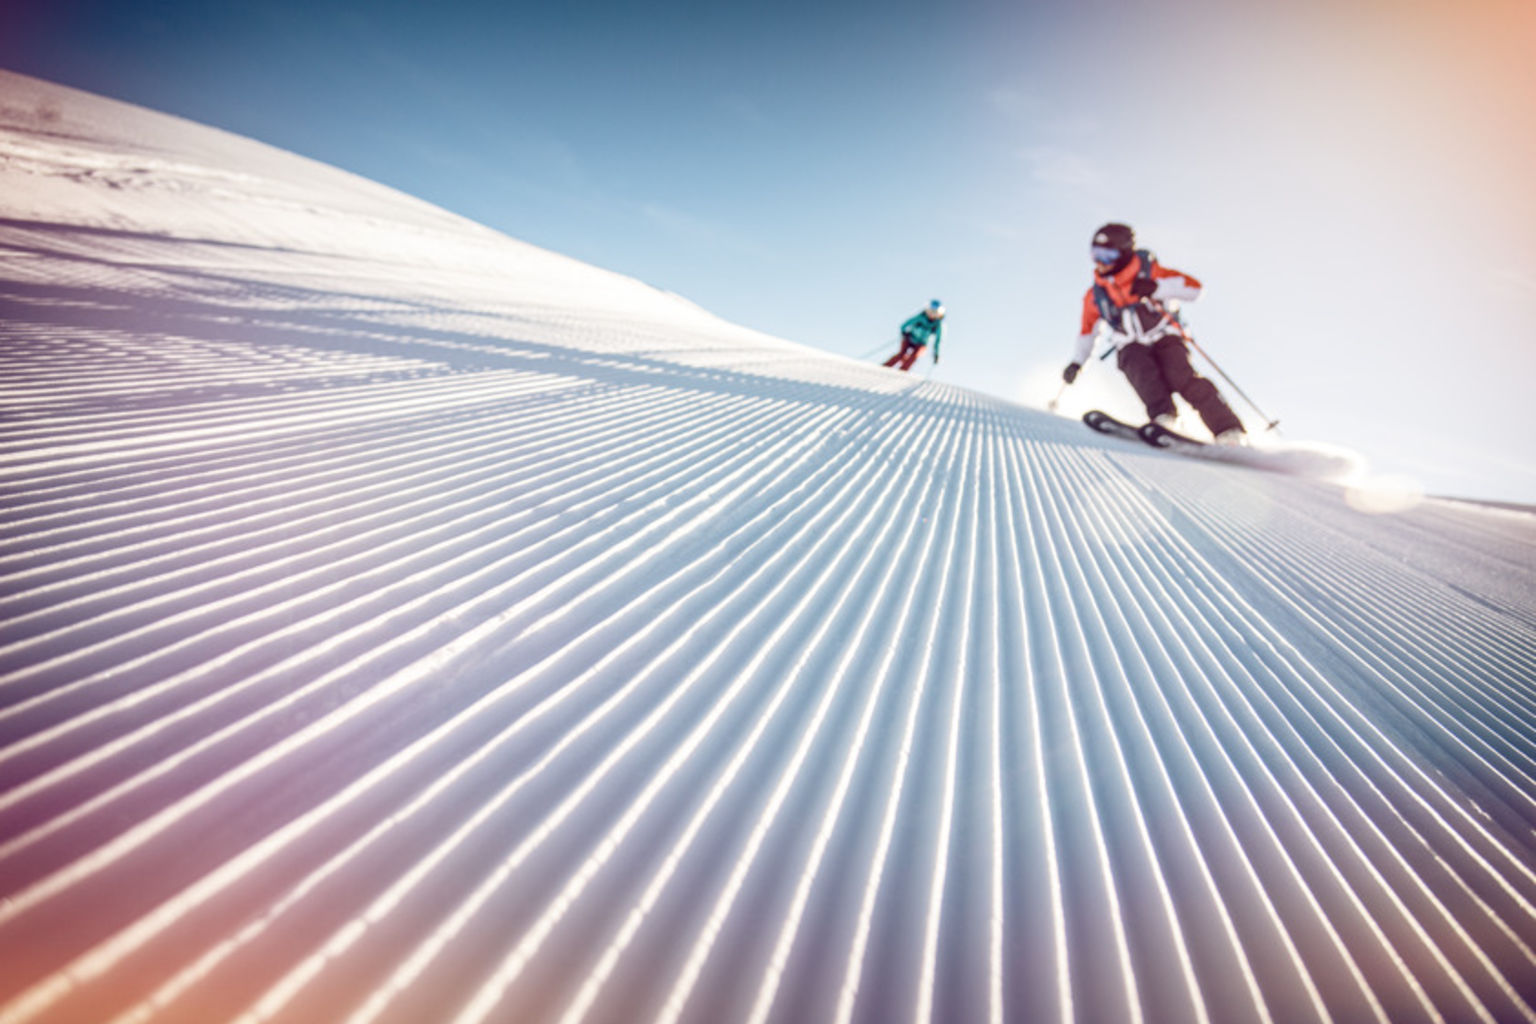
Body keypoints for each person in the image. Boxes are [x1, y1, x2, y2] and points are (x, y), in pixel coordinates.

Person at [1061, 223, 1245, 444]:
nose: (1100, 262)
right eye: (1096, 254)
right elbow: (1087, 333)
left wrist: (1156, 287)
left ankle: (1229, 431)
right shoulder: (1096, 295)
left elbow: (1195, 289)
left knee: (1182, 377)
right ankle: (1165, 419)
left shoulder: (1150, 271)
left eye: (1108, 255)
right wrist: (1077, 363)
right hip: (1130, 342)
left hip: (1164, 336)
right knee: (1140, 372)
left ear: (1123, 253)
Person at [884, 299, 945, 371]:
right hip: (910, 337)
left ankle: (902, 371)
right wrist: (904, 332)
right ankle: (884, 367)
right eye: (930, 312)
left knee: (914, 357)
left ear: (939, 314)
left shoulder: (938, 325)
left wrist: (936, 354)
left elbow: (938, 341)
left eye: (934, 313)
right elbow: (905, 324)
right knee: (902, 354)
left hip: (921, 343)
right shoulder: (920, 317)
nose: (932, 315)